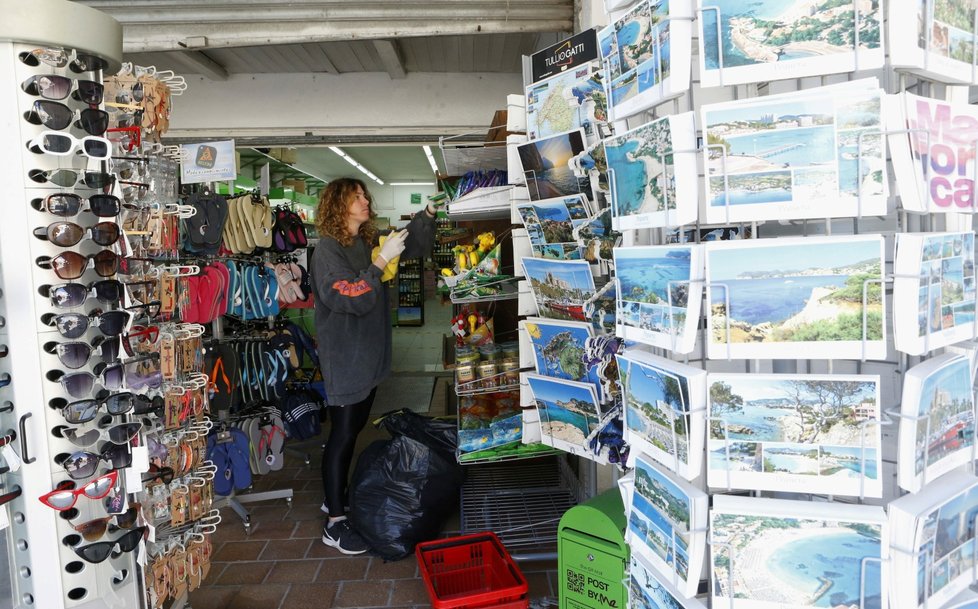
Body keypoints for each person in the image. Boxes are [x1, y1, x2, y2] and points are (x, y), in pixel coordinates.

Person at [311, 177, 438, 554]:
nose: (366, 200)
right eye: (357, 196)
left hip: (368, 355)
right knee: (343, 433)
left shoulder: (364, 242)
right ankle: (334, 523)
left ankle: (336, 495)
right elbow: (348, 296)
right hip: (346, 357)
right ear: (339, 205)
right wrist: (380, 262)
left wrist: (427, 214)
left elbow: (409, 246)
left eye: (365, 194)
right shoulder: (328, 251)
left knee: (354, 428)